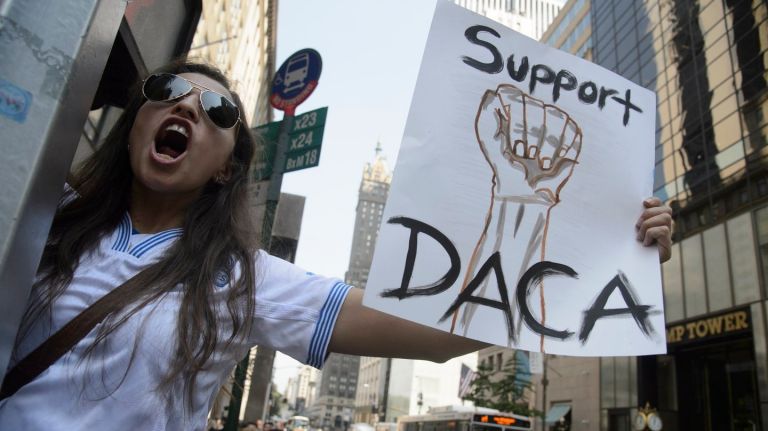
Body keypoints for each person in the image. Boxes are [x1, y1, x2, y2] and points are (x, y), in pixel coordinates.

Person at [0, 59, 673, 430]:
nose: (187, 107)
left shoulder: (242, 278)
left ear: (229, 165)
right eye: (168, 90)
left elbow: (434, 332)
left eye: (219, 111)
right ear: (140, 116)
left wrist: (602, 256)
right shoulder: (40, 210)